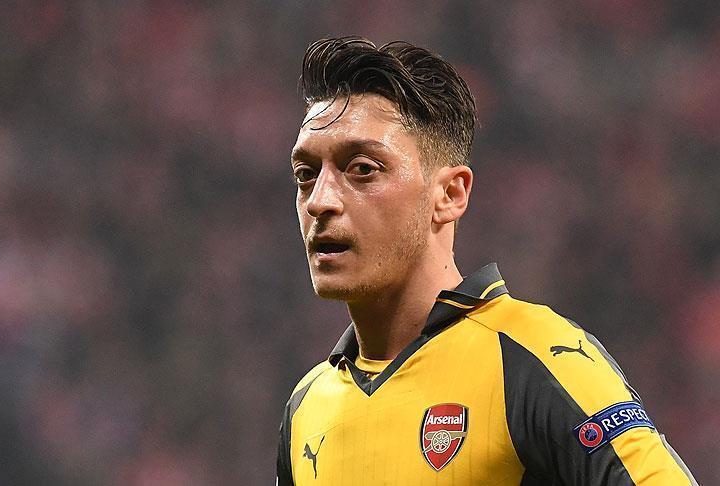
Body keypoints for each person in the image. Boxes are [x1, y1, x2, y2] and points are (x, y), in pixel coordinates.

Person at [276, 37, 696, 485]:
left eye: (362, 169)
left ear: (449, 194)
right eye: (306, 175)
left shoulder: (534, 357)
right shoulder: (306, 409)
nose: (319, 201)